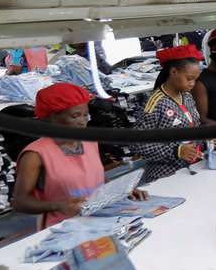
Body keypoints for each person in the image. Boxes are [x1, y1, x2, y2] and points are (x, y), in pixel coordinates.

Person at [12, 83, 146, 227]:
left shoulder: (89, 141)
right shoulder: (35, 155)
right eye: (75, 116)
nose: (82, 122)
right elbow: (20, 202)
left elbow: (96, 180)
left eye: (85, 115)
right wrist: (58, 205)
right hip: (62, 226)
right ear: (53, 117)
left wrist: (121, 190)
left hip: (99, 218)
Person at [136, 45, 208, 183]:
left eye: (195, 79)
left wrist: (207, 140)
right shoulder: (156, 103)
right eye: (189, 78)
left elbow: (194, 127)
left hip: (190, 169)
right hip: (166, 175)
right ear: (174, 71)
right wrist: (176, 151)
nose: (193, 83)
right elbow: (139, 144)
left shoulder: (186, 97)